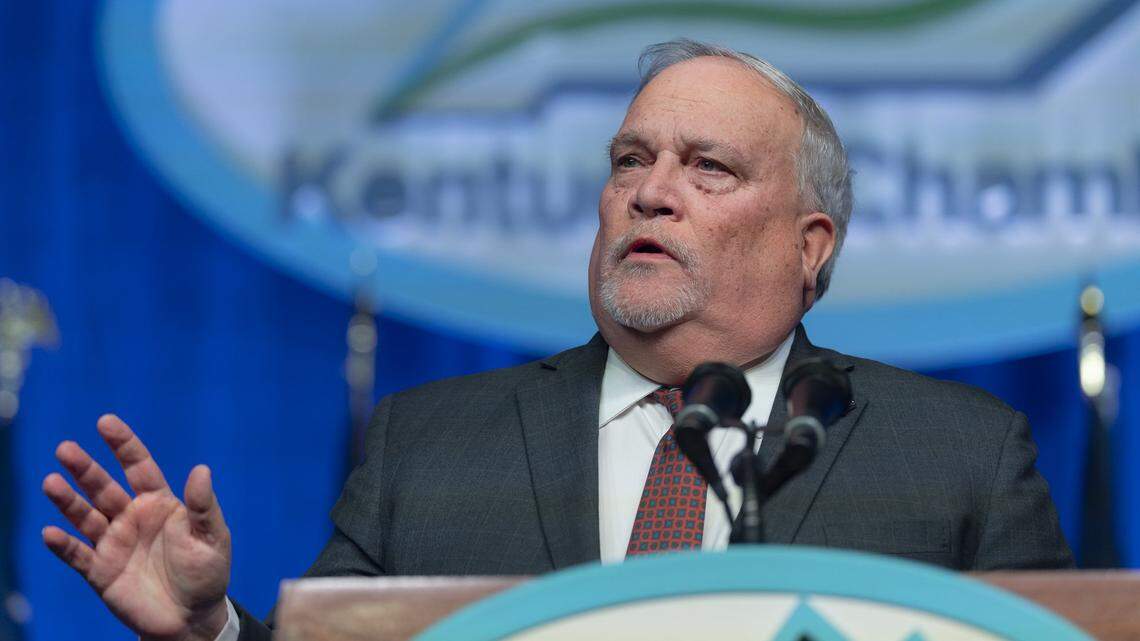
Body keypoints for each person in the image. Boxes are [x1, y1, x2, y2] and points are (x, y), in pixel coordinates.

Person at [41, 40, 1072, 641]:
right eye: (630, 160)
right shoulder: (428, 445)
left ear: (811, 247)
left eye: (708, 167)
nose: (650, 192)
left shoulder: (958, 455)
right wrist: (213, 628)